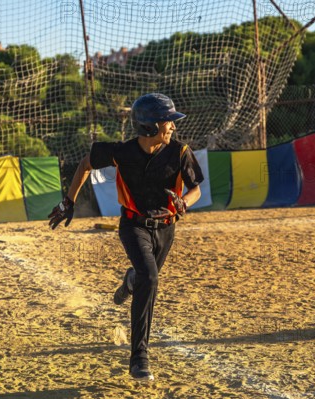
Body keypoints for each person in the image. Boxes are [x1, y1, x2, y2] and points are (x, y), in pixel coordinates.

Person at [48, 93, 204, 382]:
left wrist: (185, 202)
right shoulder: (122, 152)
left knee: (145, 277)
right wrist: (68, 202)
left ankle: (131, 281)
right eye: (167, 122)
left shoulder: (180, 152)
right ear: (150, 127)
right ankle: (139, 357)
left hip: (166, 228)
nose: (172, 127)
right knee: (151, 278)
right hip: (133, 226)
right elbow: (85, 164)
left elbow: (196, 189)